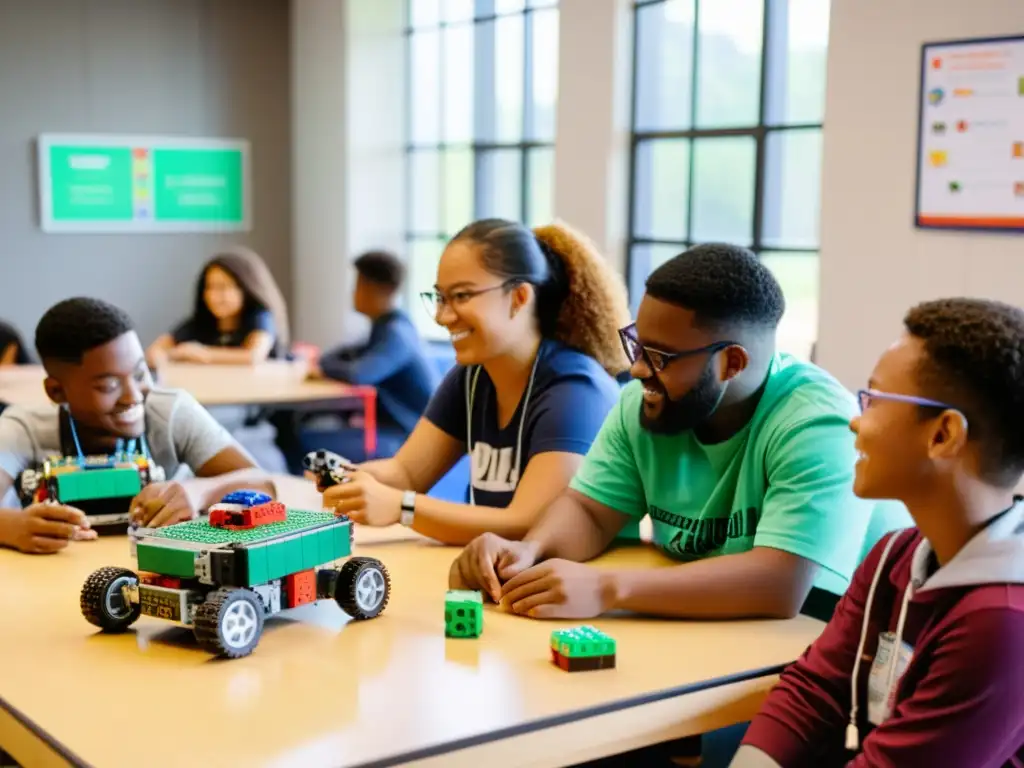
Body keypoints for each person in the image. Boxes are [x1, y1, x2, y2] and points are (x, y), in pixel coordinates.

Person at [449, 243, 910, 620]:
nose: (637, 368)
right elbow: (590, 511)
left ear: (732, 362)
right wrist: (528, 550)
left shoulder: (816, 421)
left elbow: (780, 585)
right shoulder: (645, 400)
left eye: (661, 357)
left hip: (839, 639)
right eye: (637, 343)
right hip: (717, 627)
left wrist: (609, 588)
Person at [732, 298, 1024, 768]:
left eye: (874, 399)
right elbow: (815, 689)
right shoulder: (897, 554)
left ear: (942, 436)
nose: (855, 419)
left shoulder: (1003, 622)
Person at [321, 218, 630, 545]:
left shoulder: (576, 390)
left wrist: (404, 508)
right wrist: (350, 478)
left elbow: (530, 525)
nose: (442, 316)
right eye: (440, 298)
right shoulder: (473, 376)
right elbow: (406, 474)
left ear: (519, 297)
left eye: (462, 296)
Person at [0, 297, 276, 554]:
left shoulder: (170, 412)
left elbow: (262, 484)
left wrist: (198, 491)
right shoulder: (23, 428)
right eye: (109, 384)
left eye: (140, 373)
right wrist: (10, 526)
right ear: (57, 392)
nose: (134, 395)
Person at [298, 250, 439, 463]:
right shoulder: (385, 327)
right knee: (303, 425)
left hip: (406, 438)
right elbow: (347, 354)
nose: (353, 293)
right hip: (388, 427)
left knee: (302, 441)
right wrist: (325, 364)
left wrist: (323, 368)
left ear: (379, 289)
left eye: (358, 285)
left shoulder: (396, 334)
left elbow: (359, 374)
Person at [146, 246, 290, 367]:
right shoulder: (199, 323)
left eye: (225, 287)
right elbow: (154, 351)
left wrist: (203, 354)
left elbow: (253, 356)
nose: (216, 296)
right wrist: (172, 355)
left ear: (246, 289)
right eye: (210, 287)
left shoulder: (260, 318)